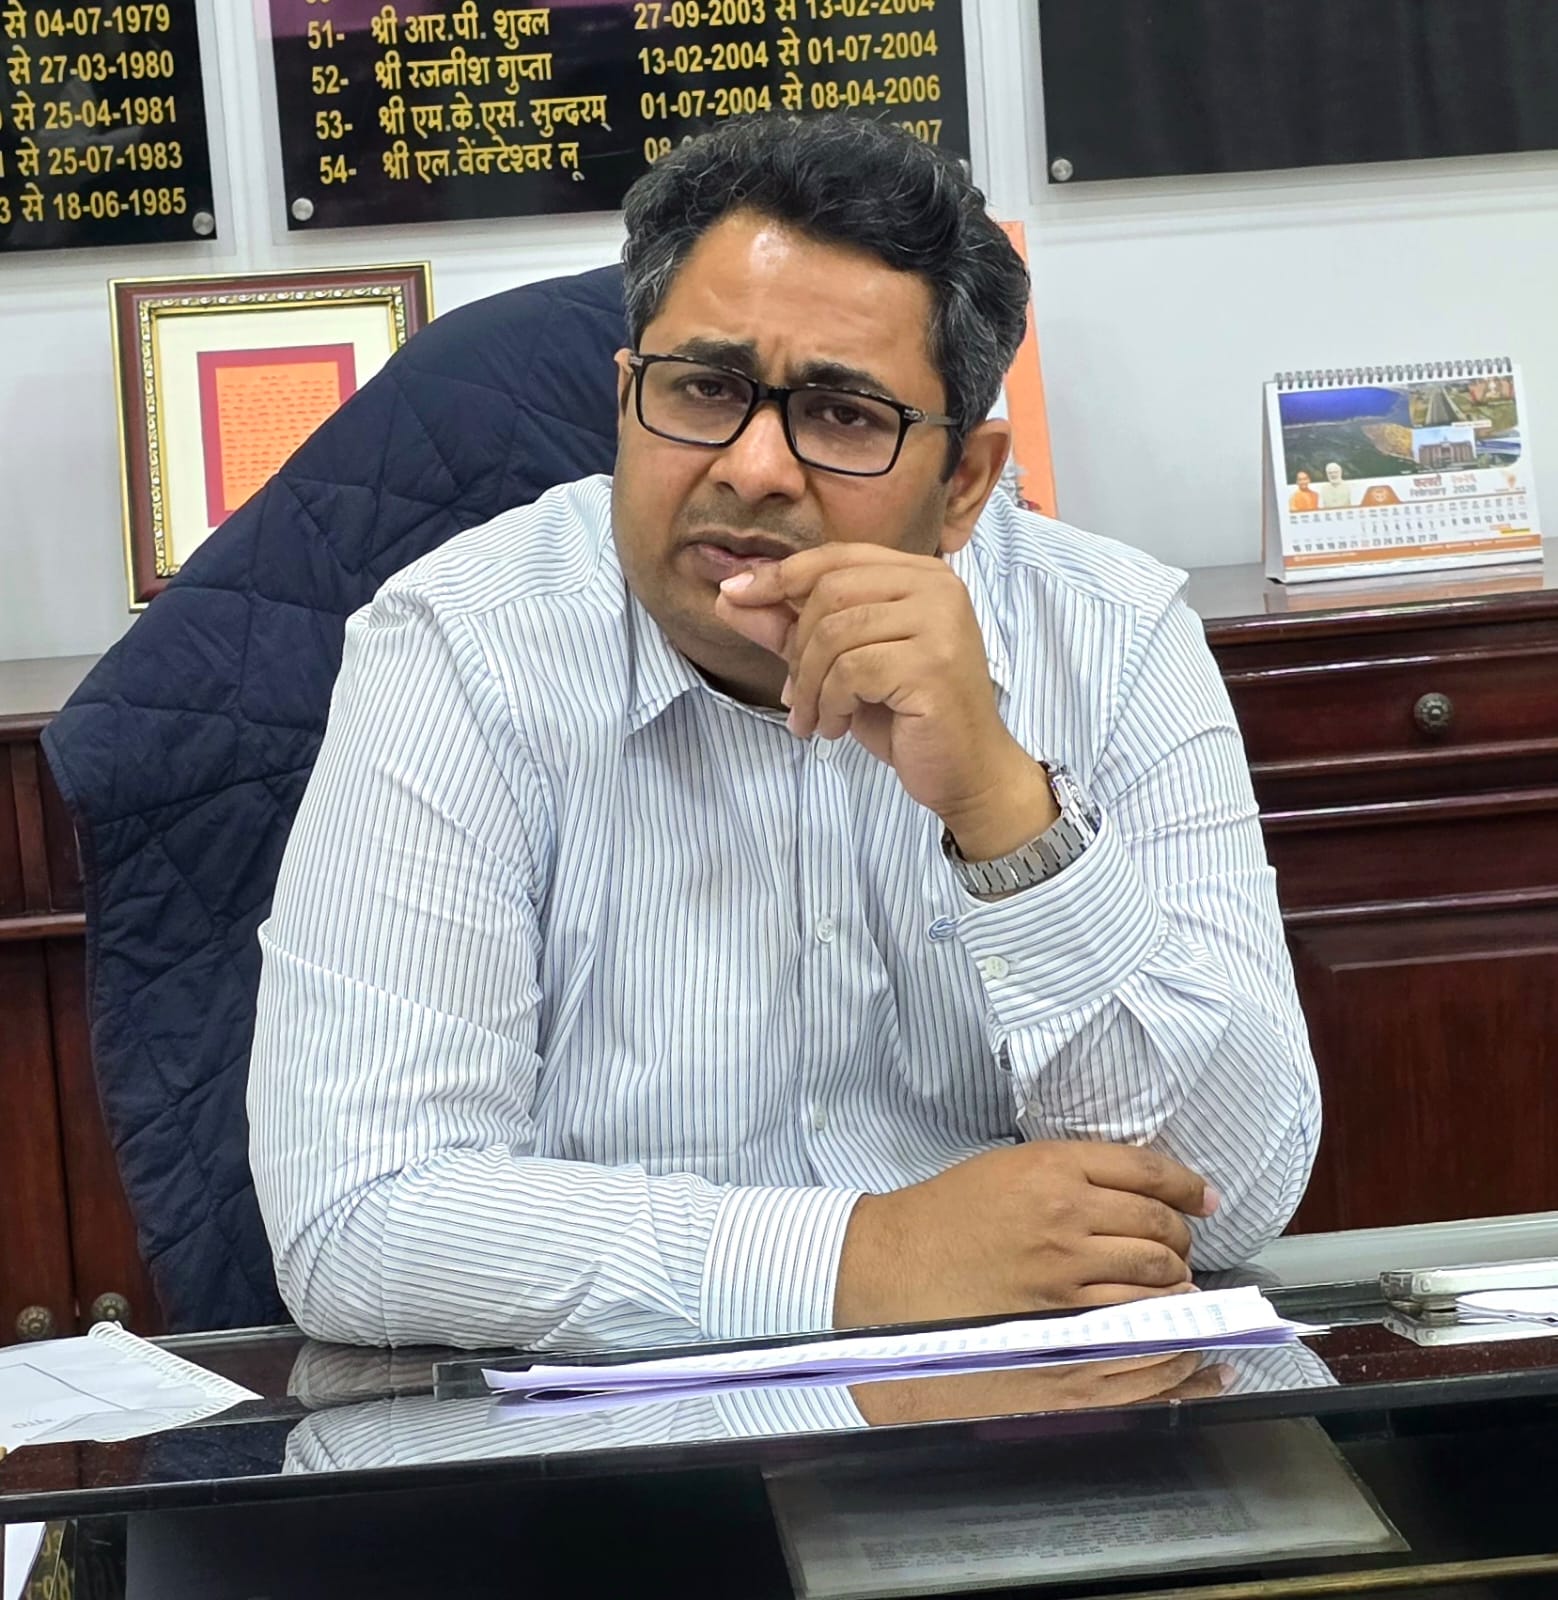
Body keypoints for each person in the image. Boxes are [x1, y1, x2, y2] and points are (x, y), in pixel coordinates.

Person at [248, 115, 1319, 1351]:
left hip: (1036, 1416)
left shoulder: (1110, 637)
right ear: (626, 399)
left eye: (843, 414)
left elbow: (1234, 1191)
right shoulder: (462, 646)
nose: (753, 467)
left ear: (965, 483)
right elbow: (358, 1218)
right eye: (703, 390)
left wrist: (1004, 811)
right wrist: (873, 1256)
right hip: (626, 1444)